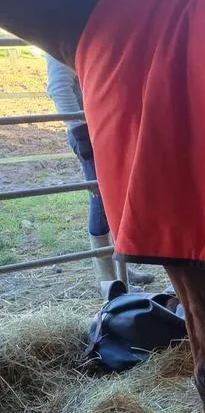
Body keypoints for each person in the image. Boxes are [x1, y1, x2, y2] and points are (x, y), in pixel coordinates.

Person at [45, 53, 151, 291]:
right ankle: (108, 280)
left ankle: (119, 266)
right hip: (88, 131)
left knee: (116, 197)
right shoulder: (60, 40)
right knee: (100, 198)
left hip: (107, 128)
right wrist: (79, 130)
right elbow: (58, 88)